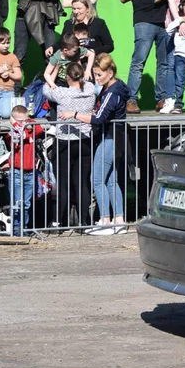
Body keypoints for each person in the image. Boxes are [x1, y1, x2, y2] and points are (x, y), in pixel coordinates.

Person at [59, 53, 127, 235]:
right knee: (111, 180)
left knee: (97, 179)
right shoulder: (111, 88)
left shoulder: (112, 92)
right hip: (114, 138)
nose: (96, 78)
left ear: (110, 72)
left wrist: (73, 114)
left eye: (99, 75)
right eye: (95, 74)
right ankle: (119, 220)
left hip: (110, 139)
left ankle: (105, 220)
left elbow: (98, 118)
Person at [120, 0, 169, 113]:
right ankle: (131, 100)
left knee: (164, 63)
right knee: (138, 61)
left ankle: (162, 99)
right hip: (143, 21)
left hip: (165, 20)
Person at [43, 60, 95, 228]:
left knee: (63, 182)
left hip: (65, 141)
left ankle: (58, 221)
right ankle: (83, 221)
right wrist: (85, 67)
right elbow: (86, 81)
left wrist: (55, 70)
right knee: (82, 182)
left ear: (68, 78)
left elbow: (46, 87)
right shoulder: (90, 90)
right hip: (85, 140)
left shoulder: (62, 93)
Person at [6, 104, 44, 237]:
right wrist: (16, 124)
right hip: (17, 171)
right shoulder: (13, 132)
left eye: (25, 120)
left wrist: (28, 122)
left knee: (26, 203)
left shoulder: (32, 128)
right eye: (20, 121)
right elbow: (18, 137)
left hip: (30, 172)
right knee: (17, 203)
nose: (24, 123)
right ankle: (16, 229)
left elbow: (39, 129)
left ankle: (24, 227)